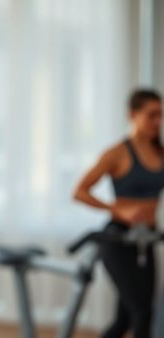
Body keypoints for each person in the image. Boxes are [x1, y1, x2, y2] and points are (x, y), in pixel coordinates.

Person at [73, 89, 164, 338]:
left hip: (147, 239)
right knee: (142, 313)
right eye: (152, 115)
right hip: (118, 240)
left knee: (126, 319)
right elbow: (79, 192)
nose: (158, 122)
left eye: (161, 116)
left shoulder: (160, 153)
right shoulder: (117, 153)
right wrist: (117, 209)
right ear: (132, 115)